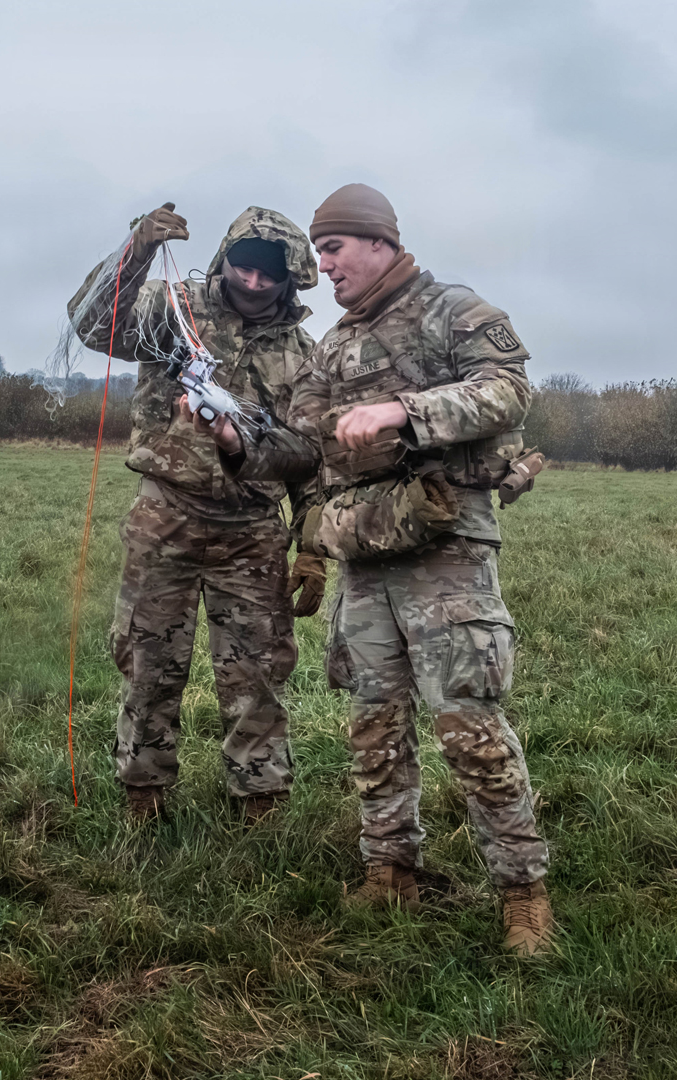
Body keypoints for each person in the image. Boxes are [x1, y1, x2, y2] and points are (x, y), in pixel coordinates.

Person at [209, 183, 555, 954]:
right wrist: (237, 444)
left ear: (378, 242)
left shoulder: (455, 311)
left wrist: (404, 409)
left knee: (469, 726)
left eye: (332, 249)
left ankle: (522, 891)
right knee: (373, 725)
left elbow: (507, 390)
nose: (322, 265)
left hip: (447, 554)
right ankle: (389, 868)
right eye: (321, 252)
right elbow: (298, 442)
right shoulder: (332, 346)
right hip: (364, 556)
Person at [66, 204, 324, 823]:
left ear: (292, 276)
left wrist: (312, 545)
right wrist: (135, 252)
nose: (253, 283)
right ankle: (143, 794)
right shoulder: (172, 308)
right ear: (223, 260)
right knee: (149, 660)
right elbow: (94, 327)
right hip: (165, 517)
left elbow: (313, 455)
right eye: (243, 268)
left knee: (258, 673)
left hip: (254, 532)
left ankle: (259, 799)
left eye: (269, 275)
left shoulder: (306, 355)